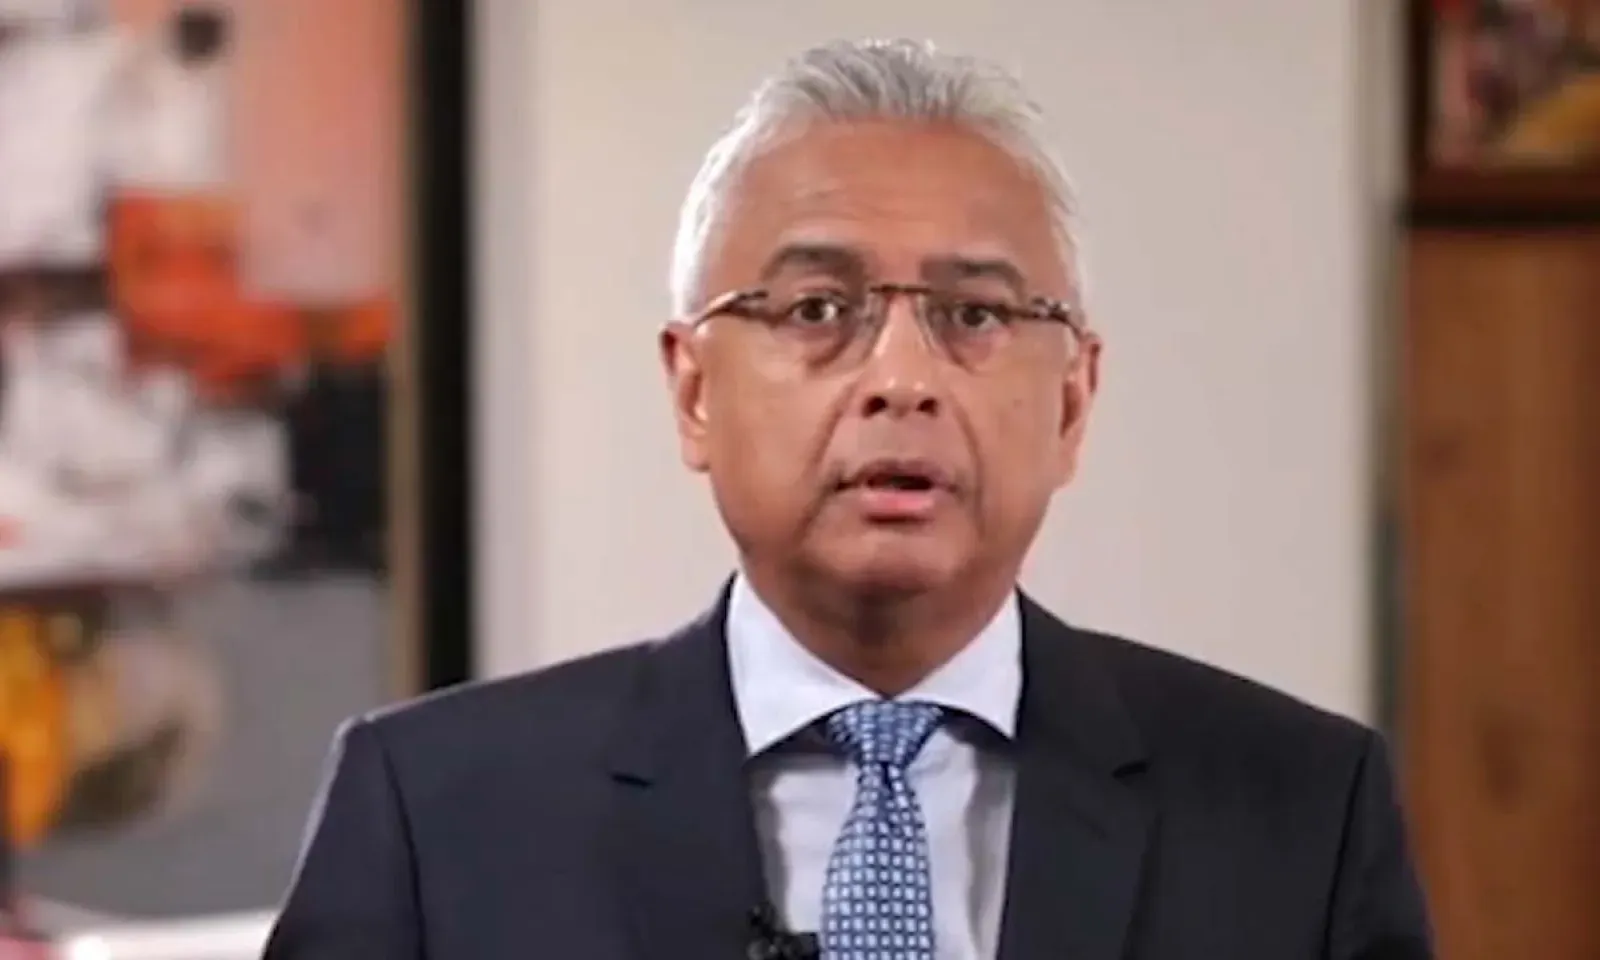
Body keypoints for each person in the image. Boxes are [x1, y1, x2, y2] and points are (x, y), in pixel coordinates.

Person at [264, 39, 1432, 960]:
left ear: (1072, 401)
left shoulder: (1300, 816)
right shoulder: (434, 815)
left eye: (974, 314)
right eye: (818, 310)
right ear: (693, 391)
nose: (902, 378)